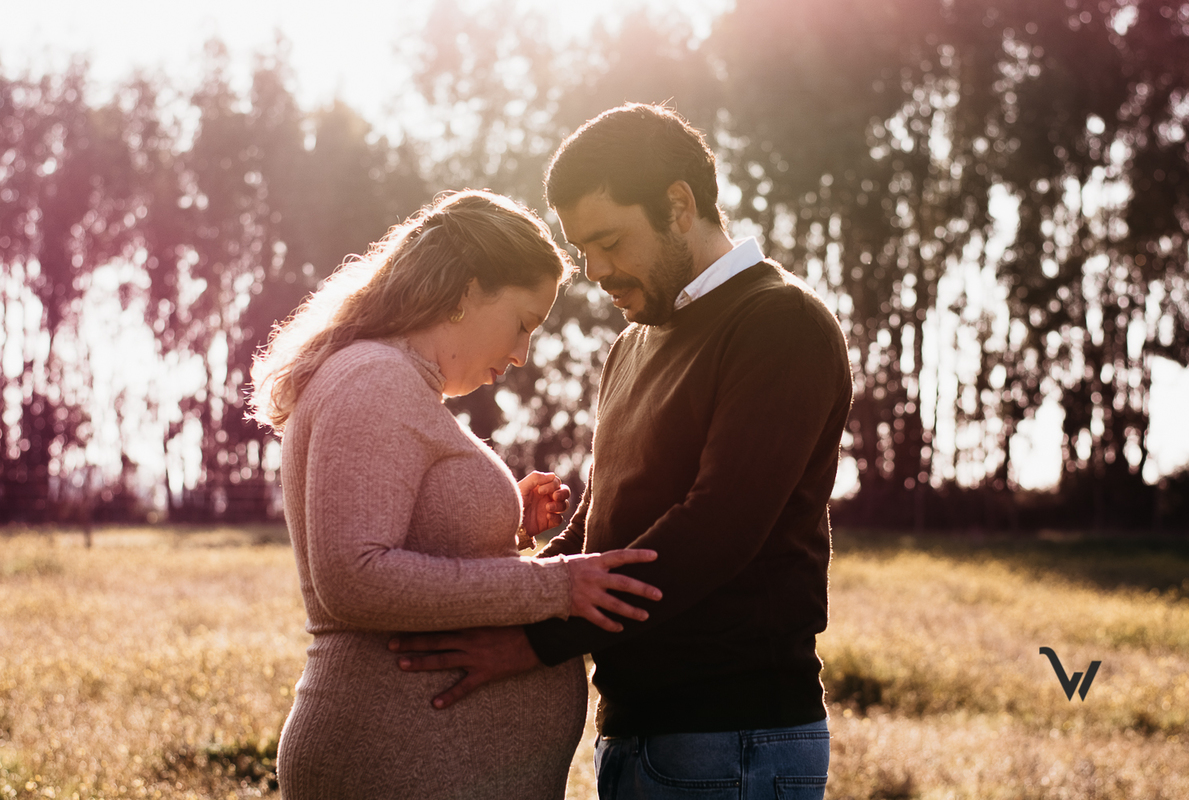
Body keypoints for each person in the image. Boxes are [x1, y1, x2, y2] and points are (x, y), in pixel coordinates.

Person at [390, 106, 853, 800]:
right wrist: (505, 596)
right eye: (582, 249)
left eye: (609, 240)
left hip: (734, 737)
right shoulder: (634, 344)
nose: (595, 270)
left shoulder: (780, 324)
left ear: (678, 205)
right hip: (638, 732)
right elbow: (601, 528)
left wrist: (534, 643)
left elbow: (716, 528)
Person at [248, 189, 663, 800]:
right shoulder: (376, 380)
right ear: (468, 291)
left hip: (424, 764)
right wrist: (559, 584)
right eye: (523, 323)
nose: (522, 353)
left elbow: (406, 534)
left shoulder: (398, 384)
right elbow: (354, 576)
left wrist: (510, 523)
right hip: (400, 760)